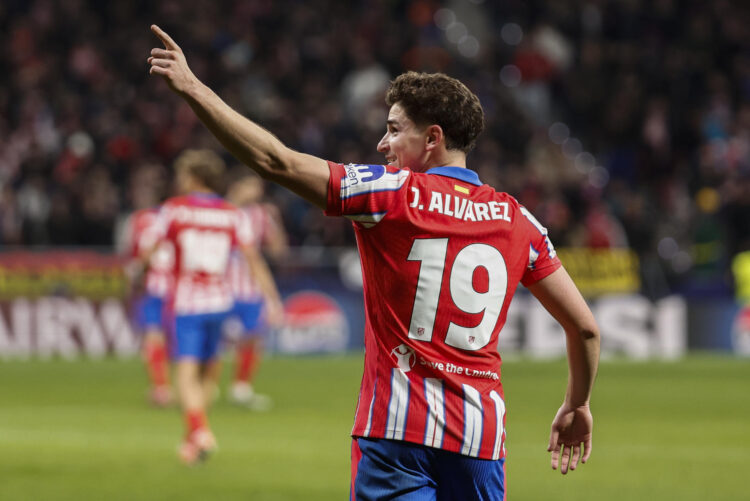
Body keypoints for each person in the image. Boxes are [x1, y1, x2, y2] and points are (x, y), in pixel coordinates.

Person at [148, 24, 600, 497]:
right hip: (480, 443)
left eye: (393, 130)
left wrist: (194, 89)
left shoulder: (389, 192)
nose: (383, 145)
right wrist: (577, 404)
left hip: (396, 437)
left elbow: (276, 162)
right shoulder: (518, 220)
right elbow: (585, 328)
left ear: (432, 138)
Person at [141, 148, 282, 464]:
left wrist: (141, 269)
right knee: (209, 370)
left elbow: (149, 250)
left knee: (186, 369)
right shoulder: (233, 214)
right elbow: (253, 259)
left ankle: (199, 430)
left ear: (192, 177)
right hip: (220, 299)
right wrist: (271, 298)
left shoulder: (174, 210)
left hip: (187, 301)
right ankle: (193, 439)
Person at [225, 172, 286, 409]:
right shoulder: (221, 210)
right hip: (220, 285)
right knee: (211, 338)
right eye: (251, 185)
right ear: (237, 185)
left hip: (250, 287)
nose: (257, 191)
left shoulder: (261, 214)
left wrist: (276, 221)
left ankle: (241, 387)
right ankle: (202, 384)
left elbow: (278, 252)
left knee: (254, 336)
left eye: (259, 186)